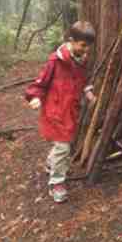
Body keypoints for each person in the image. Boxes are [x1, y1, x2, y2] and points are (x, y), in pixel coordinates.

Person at [24, 21, 97, 203]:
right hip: (55, 111)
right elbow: (41, 82)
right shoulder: (55, 61)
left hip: (70, 111)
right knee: (63, 147)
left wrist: (87, 91)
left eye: (88, 46)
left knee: (63, 145)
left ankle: (51, 163)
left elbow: (83, 79)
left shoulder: (81, 60)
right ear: (71, 40)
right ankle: (56, 183)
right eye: (83, 45)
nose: (86, 50)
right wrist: (34, 97)